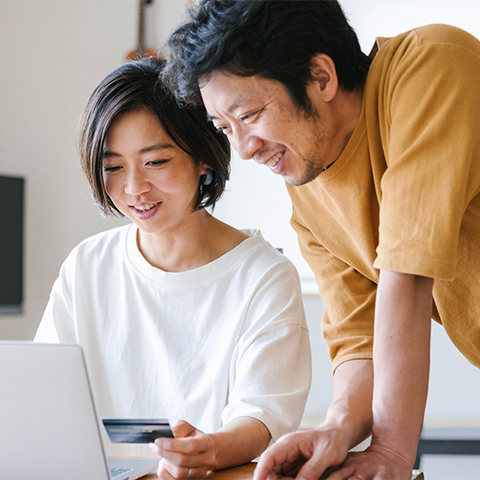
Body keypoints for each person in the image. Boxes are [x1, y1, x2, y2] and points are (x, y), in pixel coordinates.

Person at [161, 0, 480, 479]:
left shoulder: (429, 64)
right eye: (225, 128)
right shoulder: (308, 202)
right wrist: (337, 426)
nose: (244, 149)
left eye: (249, 115)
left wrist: (392, 451)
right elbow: (360, 345)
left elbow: (409, 272)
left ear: (321, 76)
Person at [34, 56, 312, 480]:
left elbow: (262, 415)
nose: (134, 188)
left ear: (203, 158)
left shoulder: (263, 275)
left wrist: (209, 450)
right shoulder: (87, 266)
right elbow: (41, 392)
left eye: (156, 162)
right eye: (113, 167)